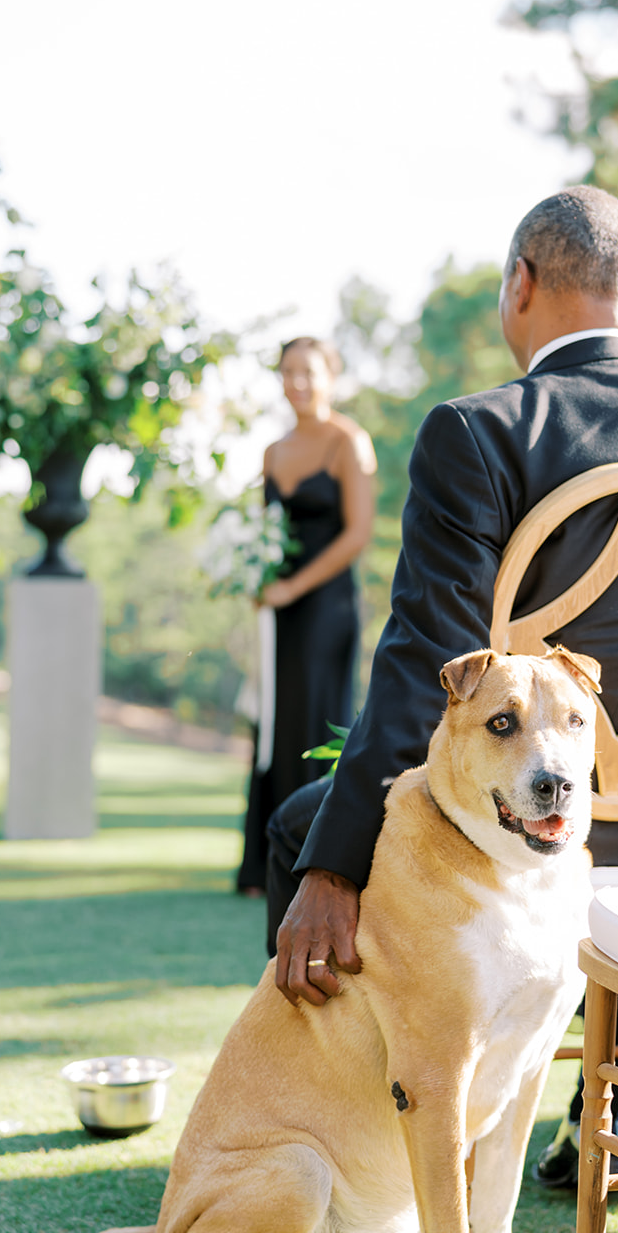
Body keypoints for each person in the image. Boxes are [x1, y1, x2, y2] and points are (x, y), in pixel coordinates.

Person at [266, 185, 618, 1184]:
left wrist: (331, 867)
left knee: (300, 825)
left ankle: (365, 1160)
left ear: (518, 284)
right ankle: (594, 1107)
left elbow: (425, 666)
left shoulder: (480, 432)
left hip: (532, 842)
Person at [236, 336, 376, 896]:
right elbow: (261, 533)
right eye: (287, 371)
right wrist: (256, 578)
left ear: (331, 376)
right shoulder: (272, 451)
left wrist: (294, 586)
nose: (297, 382)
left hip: (325, 606)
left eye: (308, 371)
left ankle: (318, 859)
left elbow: (357, 534)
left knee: (316, 718)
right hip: (279, 610)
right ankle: (260, 863)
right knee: (274, 719)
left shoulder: (349, 441)